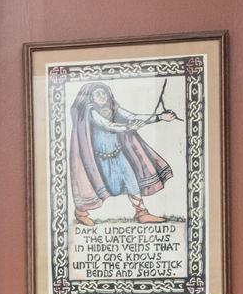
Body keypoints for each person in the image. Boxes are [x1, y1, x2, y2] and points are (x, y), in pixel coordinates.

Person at [67, 80, 174, 226]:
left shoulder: (113, 107)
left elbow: (132, 116)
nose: (101, 96)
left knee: (131, 180)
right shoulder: (90, 111)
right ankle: (81, 213)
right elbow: (108, 125)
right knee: (95, 185)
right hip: (98, 160)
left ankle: (142, 213)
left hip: (117, 154)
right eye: (97, 94)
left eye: (103, 93)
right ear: (90, 97)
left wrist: (159, 117)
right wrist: (128, 127)